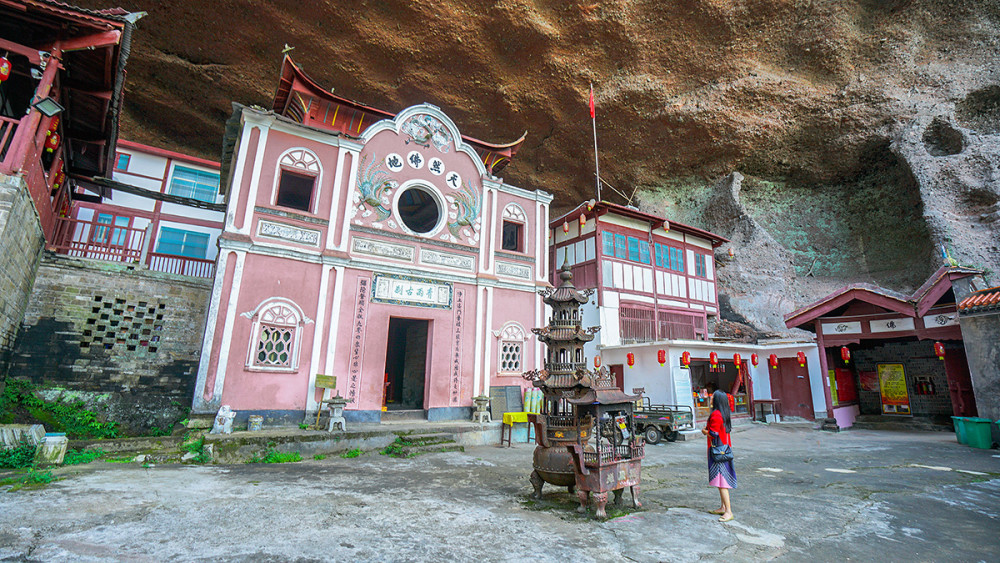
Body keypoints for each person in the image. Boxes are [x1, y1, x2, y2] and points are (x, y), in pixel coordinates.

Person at [702, 389, 736, 522]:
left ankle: (728, 511)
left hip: (718, 451)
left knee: (722, 482)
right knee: (721, 481)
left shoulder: (716, 414)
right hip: (724, 449)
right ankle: (723, 507)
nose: (710, 398)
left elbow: (713, 433)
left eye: (712, 397)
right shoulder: (724, 413)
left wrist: (704, 431)